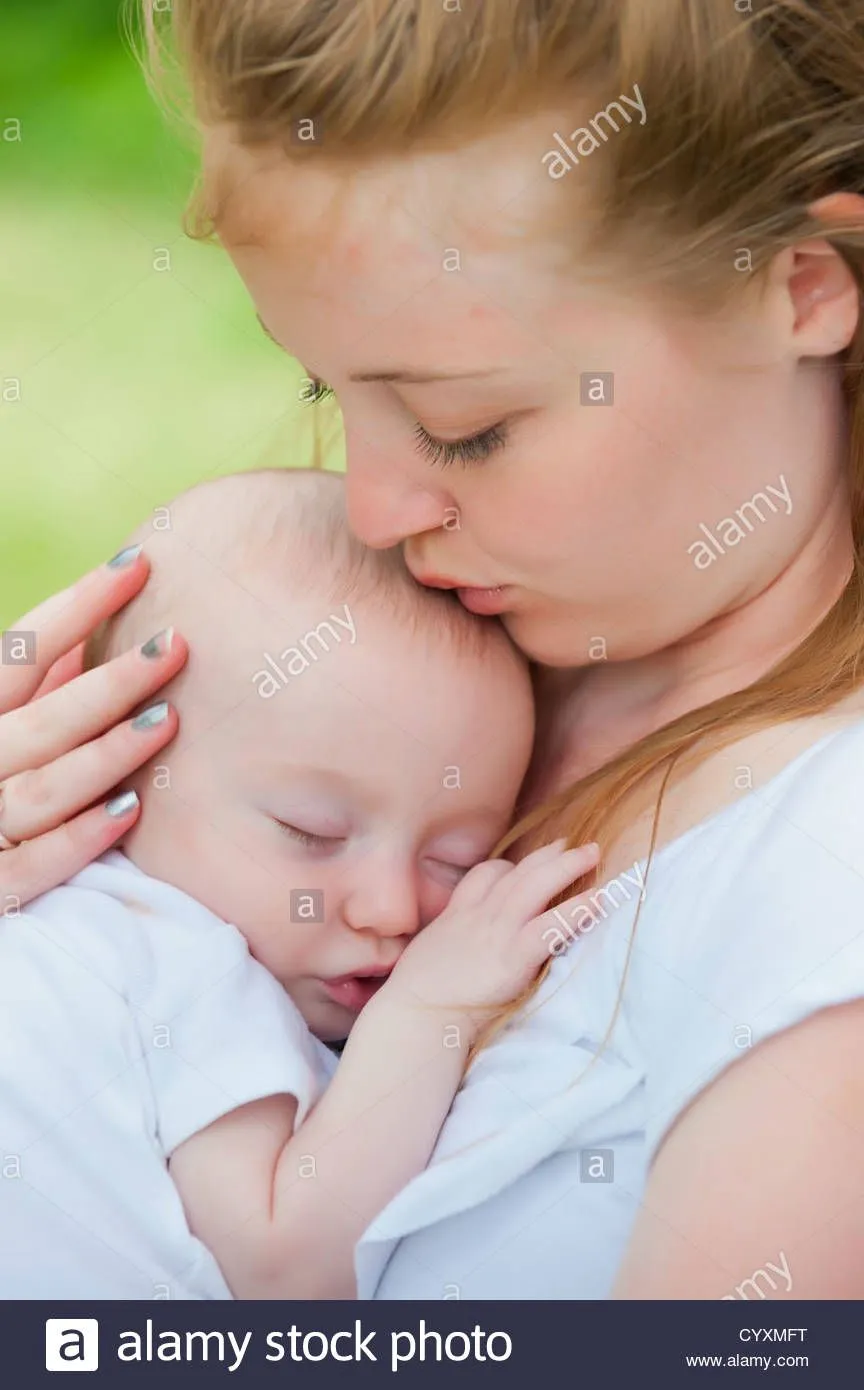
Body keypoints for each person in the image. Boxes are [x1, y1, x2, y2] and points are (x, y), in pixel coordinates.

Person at [3, 0, 864, 1297]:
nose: (372, 510)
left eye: (468, 428)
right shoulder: (368, 660)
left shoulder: (818, 880)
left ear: (798, 285)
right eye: (325, 388)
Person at [1, 465, 599, 1299]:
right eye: (312, 832)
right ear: (109, 769)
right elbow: (287, 1275)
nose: (392, 908)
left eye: (456, 860)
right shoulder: (181, 956)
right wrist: (428, 1013)